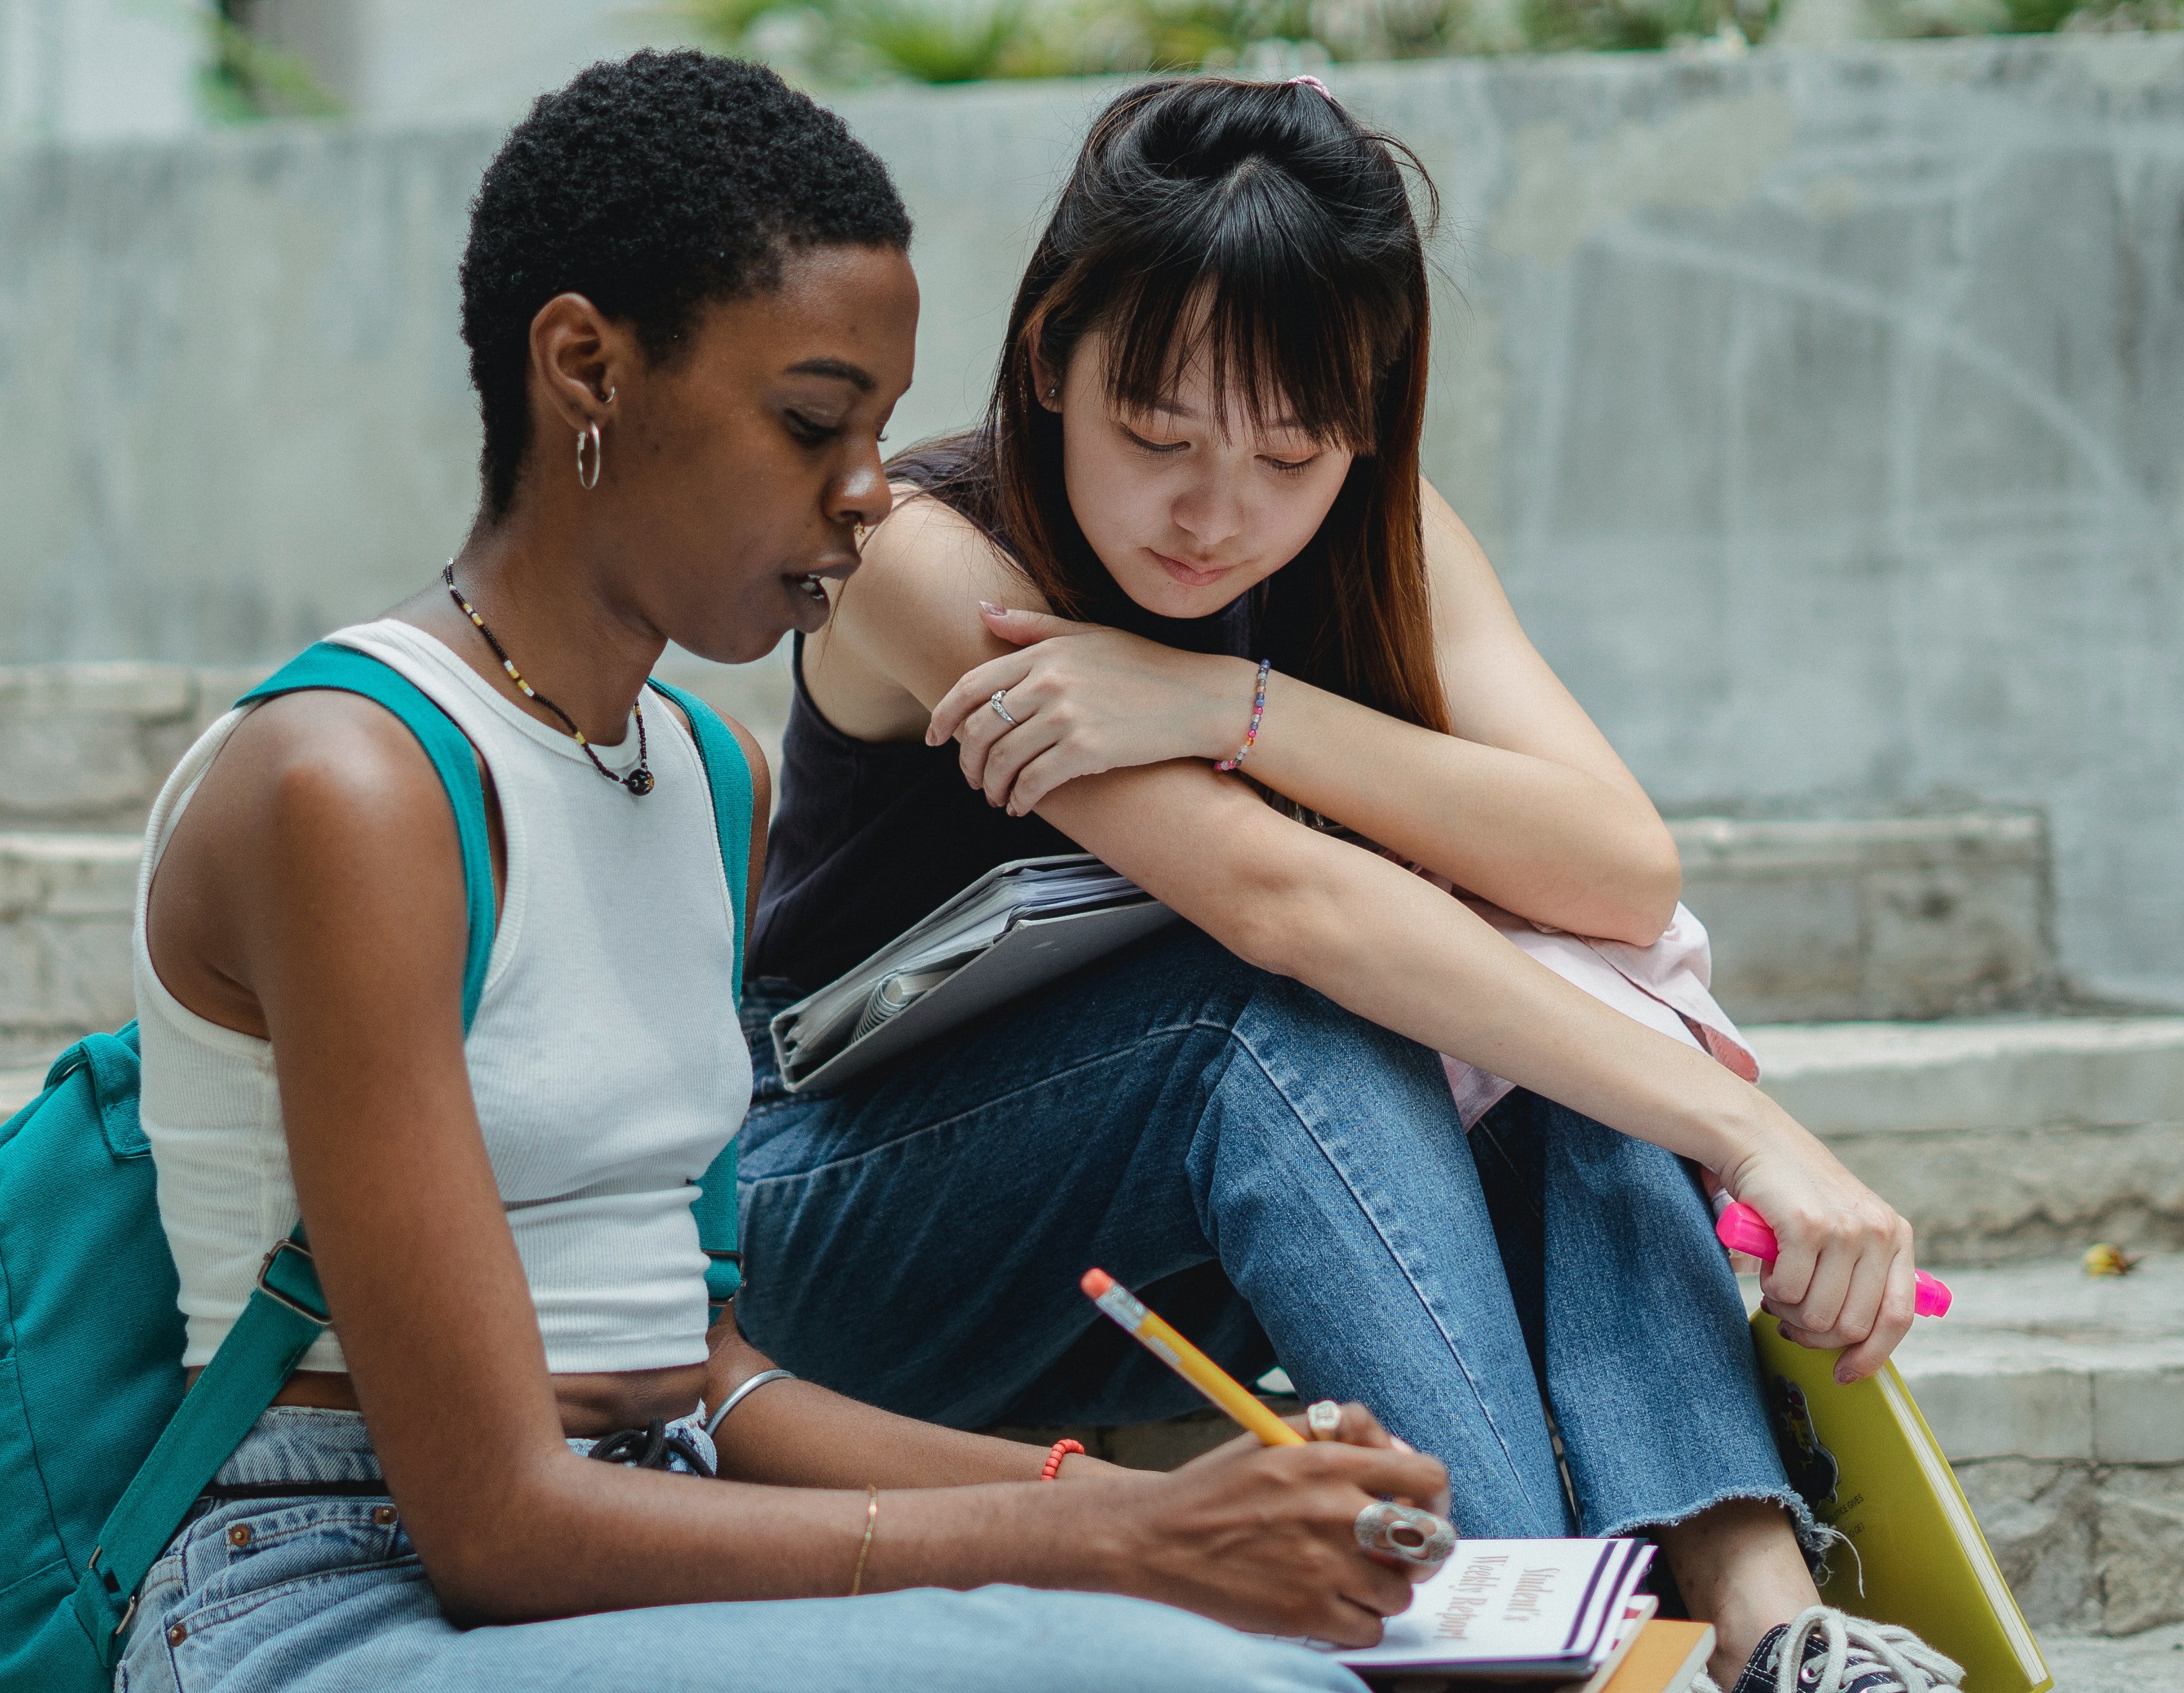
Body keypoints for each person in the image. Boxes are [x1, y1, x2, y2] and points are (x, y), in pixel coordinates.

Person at [117, 50, 1458, 1693]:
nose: (868, 492)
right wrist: (1120, 1539)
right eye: (813, 421)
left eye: (882, 428)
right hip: (334, 1590)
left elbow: (710, 1378)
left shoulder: (700, 770)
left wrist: (1180, 1506)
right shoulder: (354, 784)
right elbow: (498, 1525)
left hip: (663, 1529)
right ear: (584, 369)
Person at [734, 74, 1963, 1693]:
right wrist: (1747, 1127)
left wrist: (1231, 705)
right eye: (1155, 433)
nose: (1214, 511)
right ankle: (1541, 1645)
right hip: (849, 1222)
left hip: (1165, 1236)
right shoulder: (919, 552)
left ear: (1364, 418)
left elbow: (1614, 867)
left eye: (1289, 450)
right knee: (1293, 1007)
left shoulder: (1371, 536)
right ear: (1050, 360)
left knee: (1536, 991)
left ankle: (1765, 1623)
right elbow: (1281, 905)